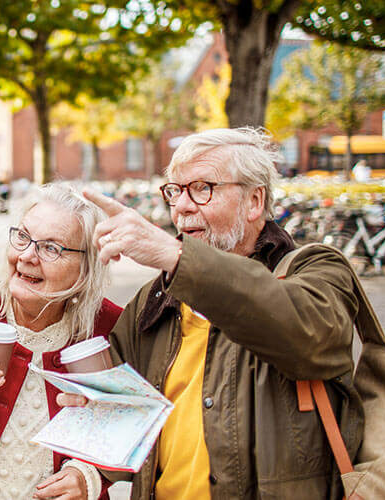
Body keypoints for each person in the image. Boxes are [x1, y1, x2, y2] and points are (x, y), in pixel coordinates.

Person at [63, 128, 362, 499]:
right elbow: (126, 417)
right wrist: (88, 466)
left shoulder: (317, 270)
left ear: (254, 201)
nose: (182, 206)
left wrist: (177, 257)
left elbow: (309, 333)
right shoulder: (154, 299)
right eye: (174, 190)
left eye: (203, 188)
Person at [0, 184, 123, 500]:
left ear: (87, 265)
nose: (26, 256)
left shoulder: (111, 329)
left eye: (51, 248)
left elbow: (141, 431)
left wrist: (90, 476)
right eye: (23, 237)